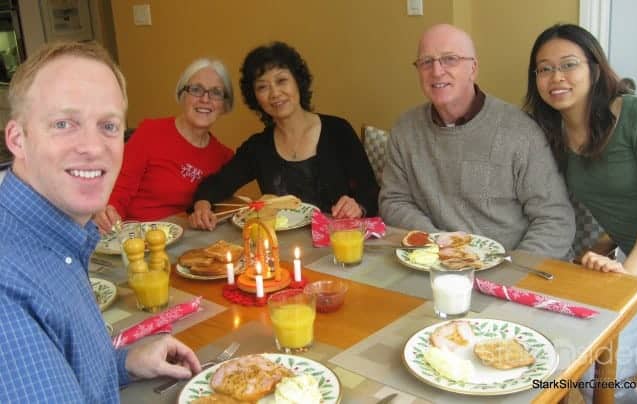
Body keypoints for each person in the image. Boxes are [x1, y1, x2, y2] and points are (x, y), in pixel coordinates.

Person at [0, 41, 201, 402]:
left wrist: (123, 363)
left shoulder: (55, 236)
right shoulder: (8, 289)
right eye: (64, 124)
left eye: (108, 126)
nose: (93, 147)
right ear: (17, 139)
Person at [524, 23, 637, 403]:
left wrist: (627, 275)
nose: (556, 77)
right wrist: (602, 252)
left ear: (594, 69)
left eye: (569, 64)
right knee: (594, 377)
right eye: (544, 68)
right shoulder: (551, 135)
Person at [379, 24, 574, 258]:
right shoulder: (405, 129)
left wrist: (512, 269)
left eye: (450, 59)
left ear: (473, 68)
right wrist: (436, 241)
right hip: (433, 261)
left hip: (509, 264)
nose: (437, 71)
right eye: (426, 62)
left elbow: (555, 219)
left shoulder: (521, 132)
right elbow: (394, 200)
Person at [189, 41, 379, 230]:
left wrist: (358, 206)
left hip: (338, 240)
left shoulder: (338, 130)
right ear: (255, 98)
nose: (274, 93)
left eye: (281, 81)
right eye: (262, 87)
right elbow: (219, 183)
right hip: (280, 245)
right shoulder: (258, 147)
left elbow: (371, 192)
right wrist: (202, 204)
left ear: (298, 82)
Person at [94, 58, 235, 232]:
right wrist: (109, 216)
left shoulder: (223, 157)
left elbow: (225, 206)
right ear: (183, 95)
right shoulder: (150, 132)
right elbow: (120, 190)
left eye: (216, 93)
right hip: (135, 236)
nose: (205, 99)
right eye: (196, 90)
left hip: (186, 240)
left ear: (224, 104)